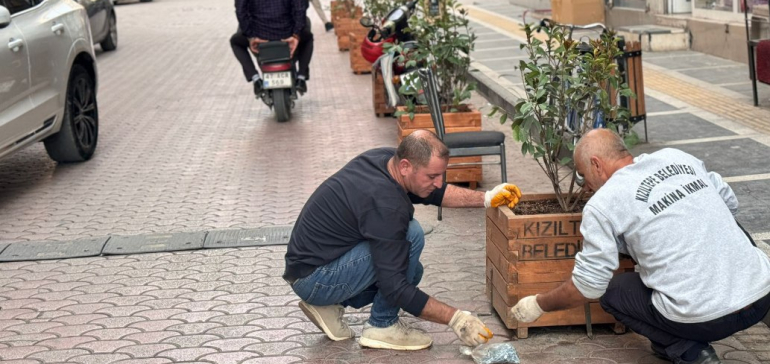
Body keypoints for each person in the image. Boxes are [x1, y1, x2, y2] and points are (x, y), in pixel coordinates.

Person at [510, 129, 770, 364]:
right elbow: (729, 203)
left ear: (596, 164)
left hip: (703, 321)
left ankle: (689, 350)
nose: (586, 187)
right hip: (761, 297)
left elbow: (589, 286)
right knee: (731, 227)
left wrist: (539, 304)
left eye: (582, 176)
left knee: (613, 292)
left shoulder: (604, 203)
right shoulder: (677, 157)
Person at [285, 130, 523, 350]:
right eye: (432, 175)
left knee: (413, 270)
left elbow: (435, 192)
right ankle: (382, 326)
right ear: (406, 166)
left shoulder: (385, 160)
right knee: (412, 235)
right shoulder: (386, 204)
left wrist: (487, 198)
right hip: (316, 279)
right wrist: (456, 318)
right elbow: (394, 287)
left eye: (441, 174)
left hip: (310, 269)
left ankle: (329, 306)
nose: (439, 182)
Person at [235, 0, 311, 94]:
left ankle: (255, 78)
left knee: (235, 42)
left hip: (260, 36)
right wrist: (295, 34)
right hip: (287, 34)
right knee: (308, 38)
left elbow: (240, 10)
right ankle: (301, 76)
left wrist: (251, 37)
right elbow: (300, 7)